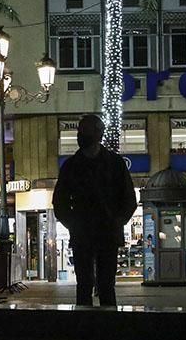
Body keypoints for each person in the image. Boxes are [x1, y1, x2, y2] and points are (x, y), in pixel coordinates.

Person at [52, 114, 137, 307]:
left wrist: (117, 221)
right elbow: (60, 201)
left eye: (85, 130)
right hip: (83, 233)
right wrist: (73, 224)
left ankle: (108, 328)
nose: (80, 135)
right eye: (79, 130)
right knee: (84, 285)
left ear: (99, 133)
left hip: (107, 232)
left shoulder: (115, 164)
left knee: (106, 285)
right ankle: (85, 329)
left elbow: (129, 199)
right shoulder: (72, 166)